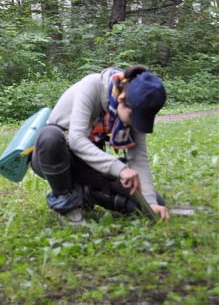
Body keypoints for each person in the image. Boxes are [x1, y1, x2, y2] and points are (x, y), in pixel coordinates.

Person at [30, 65, 169, 223]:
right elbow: (76, 140)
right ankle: (66, 202)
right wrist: (120, 169)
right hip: (53, 157)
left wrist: (150, 202)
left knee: (152, 204)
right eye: (134, 117)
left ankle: (86, 194)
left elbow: (138, 158)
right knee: (50, 136)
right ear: (122, 99)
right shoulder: (92, 86)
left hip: (89, 163)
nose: (135, 124)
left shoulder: (137, 104)